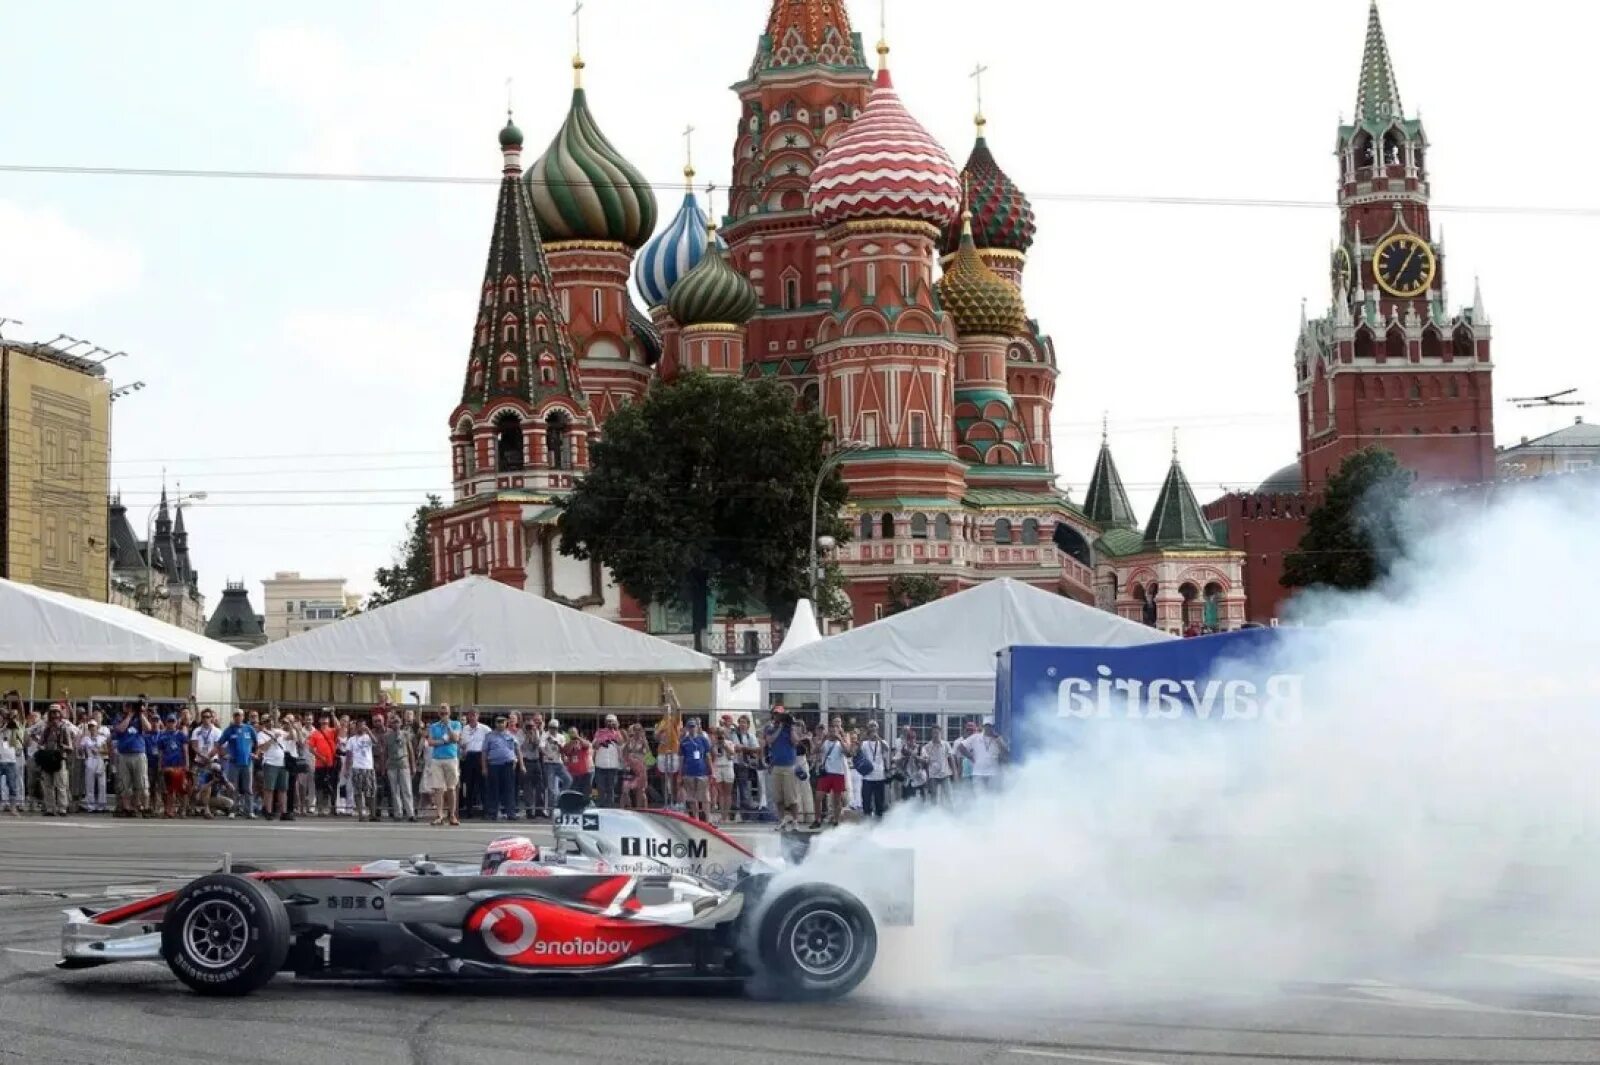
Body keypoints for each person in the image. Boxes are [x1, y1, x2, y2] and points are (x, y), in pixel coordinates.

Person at [113, 700, 154, 818]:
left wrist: (140, 713)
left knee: (142, 783)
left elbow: (148, 728)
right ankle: (127, 808)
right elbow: (120, 729)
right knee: (125, 784)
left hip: (138, 754)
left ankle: (145, 808)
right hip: (124, 755)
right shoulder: (119, 718)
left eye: (132, 706)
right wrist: (129, 715)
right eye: (128, 705)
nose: (130, 708)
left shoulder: (140, 718)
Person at [764, 706, 802, 829]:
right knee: (778, 797)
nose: (778, 716)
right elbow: (770, 740)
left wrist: (789, 726)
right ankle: (782, 820)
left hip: (789, 766)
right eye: (775, 714)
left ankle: (795, 821)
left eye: (780, 714)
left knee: (791, 797)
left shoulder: (790, 728)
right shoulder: (770, 728)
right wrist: (779, 727)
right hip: (776, 766)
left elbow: (796, 742)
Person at [218, 709, 258, 819]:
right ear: (233, 717)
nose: (237, 717)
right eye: (235, 715)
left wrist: (255, 754)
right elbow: (219, 743)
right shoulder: (229, 730)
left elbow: (257, 743)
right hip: (233, 763)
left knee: (248, 788)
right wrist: (224, 755)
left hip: (247, 763)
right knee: (233, 788)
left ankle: (249, 811)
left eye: (239, 715)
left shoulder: (249, 729)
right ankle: (233, 810)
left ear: (243, 716)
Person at [35, 705, 73, 817]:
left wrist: (62, 746)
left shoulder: (64, 728)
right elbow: (40, 743)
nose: (55, 715)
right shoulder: (47, 729)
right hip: (48, 758)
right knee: (47, 784)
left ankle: (62, 808)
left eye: (57, 713)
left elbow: (70, 747)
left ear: (60, 714)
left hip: (59, 758)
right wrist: (42, 748)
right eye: (52, 713)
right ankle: (50, 808)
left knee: (61, 785)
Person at [426, 705, 461, 827]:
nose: (444, 715)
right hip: (437, 759)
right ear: (438, 714)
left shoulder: (456, 724)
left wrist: (448, 726)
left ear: (449, 713)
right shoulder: (434, 726)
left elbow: (455, 738)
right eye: (442, 713)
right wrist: (444, 741)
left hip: (451, 758)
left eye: (446, 713)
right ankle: (439, 816)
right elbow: (430, 742)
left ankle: (452, 815)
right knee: (438, 789)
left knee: (451, 788)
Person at [482, 716, 520, 821]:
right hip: (494, 765)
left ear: (506, 723)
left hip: (508, 765)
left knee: (509, 790)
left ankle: (510, 813)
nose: (500, 724)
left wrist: (520, 763)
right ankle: (492, 813)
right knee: (493, 790)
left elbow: (517, 749)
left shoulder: (511, 735)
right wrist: (484, 767)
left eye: (502, 722)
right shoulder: (489, 736)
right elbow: (484, 752)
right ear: (495, 723)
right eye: (498, 722)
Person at [153, 712, 191, 818]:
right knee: (169, 790)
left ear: (176, 723)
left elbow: (185, 750)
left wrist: (187, 764)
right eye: (169, 721)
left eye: (173, 721)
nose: (171, 723)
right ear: (166, 723)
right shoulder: (162, 736)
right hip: (167, 766)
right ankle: (169, 810)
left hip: (179, 766)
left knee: (181, 789)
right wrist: (160, 765)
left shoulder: (180, 735)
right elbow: (160, 753)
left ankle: (183, 810)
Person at [954, 719, 1008, 791]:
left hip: (993, 773)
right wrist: (970, 756)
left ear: (993, 727)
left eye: (990, 726)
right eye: (986, 726)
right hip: (978, 773)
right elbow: (961, 747)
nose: (988, 728)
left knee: (992, 797)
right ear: (983, 727)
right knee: (979, 797)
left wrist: (997, 738)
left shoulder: (997, 739)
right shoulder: (975, 737)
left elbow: (1005, 752)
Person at [383, 709, 417, 822]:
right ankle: (398, 813)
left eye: (397, 721)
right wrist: (383, 766)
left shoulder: (406, 734)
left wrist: (413, 765)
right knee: (395, 790)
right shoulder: (387, 736)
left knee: (407, 789)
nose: (396, 724)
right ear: (390, 724)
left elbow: (410, 750)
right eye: (393, 722)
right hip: (392, 764)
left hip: (404, 764)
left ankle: (410, 813)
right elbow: (384, 752)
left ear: (401, 723)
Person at [815, 719, 850, 826]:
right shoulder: (825, 742)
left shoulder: (841, 743)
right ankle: (817, 820)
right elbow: (815, 750)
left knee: (837, 799)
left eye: (835, 730)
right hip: (826, 773)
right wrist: (823, 739)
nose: (833, 732)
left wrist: (840, 738)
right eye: (831, 730)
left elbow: (848, 752)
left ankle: (836, 820)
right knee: (818, 797)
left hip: (838, 773)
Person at [678, 717, 713, 822]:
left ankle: (708, 818)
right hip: (689, 771)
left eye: (694, 726)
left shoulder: (703, 740)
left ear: (697, 727)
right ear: (687, 728)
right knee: (692, 796)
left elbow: (707, 756)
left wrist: (711, 770)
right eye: (690, 727)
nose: (692, 729)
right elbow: (681, 759)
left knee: (705, 796)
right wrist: (680, 773)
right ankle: (696, 818)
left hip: (702, 771)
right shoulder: (684, 742)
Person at [654, 684, 682, 809]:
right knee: (664, 779)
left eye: (668, 709)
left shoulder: (674, 721)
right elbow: (656, 738)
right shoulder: (660, 723)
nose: (666, 710)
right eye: (664, 709)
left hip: (673, 751)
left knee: (674, 778)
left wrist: (672, 695)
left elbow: (679, 708)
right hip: (662, 752)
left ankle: (675, 802)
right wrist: (658, 735)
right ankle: (666, 801)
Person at [459, 709, 490, 819]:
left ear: (478, 716)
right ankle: (469, 811)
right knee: (469, 785)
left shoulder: (485, 729)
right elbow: (462, 744)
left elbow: (490, 742)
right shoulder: (465, 729)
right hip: (469, 757)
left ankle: (486, 811)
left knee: (483, 786)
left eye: (474, 715)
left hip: (480, 756)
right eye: (470, 715)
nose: (472, 717)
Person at [857, 720, 891, 819]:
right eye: (870, 726)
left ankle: (878, 820)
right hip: (867, 776)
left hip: (879, 776)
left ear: (877, 728)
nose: (872, 728)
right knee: (866, 801)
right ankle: (867, 821)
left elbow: (887, 749)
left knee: (879, 801)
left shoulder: (882, 742)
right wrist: (862, 738)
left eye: (874, 726)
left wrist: (878, 738)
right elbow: (856, 751)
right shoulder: (864, 743)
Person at [344, 719, 377, 821]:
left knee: (371, 792)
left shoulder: (368, 737)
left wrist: (368, 731)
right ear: (356, 727)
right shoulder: (352, 740)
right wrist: (347, 769)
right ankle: (360, 815)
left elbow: (376, 742)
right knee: (358, 792)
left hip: (368, 768)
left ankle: (373, 814)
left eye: (363, 725)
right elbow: (349, 755)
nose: (361, 728)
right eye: (360, 726)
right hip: (357, 768)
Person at [306, 714, 339, 816]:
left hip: (331, 764)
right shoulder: (315, 733)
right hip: (320, 765)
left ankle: (330, 808)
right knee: (319, 787)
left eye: (326, 720)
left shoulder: (332, 731)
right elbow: (310, 748)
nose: (324, 721)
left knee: (331, 787)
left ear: (329, 721)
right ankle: (320, 809)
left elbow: (339, 727)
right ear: (319, 721)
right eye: (323, 719)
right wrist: (320, 757)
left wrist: (333, 714)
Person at [591, 714, 624, 808]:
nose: (610, 723)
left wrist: (615, 732)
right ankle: (600, 806)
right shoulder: (599, 732)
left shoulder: (618, 733)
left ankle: (609, 807)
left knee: (611, 788)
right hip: (600, 765)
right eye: (608, 721)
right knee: (600, 787)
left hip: (613, 765)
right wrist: (602, 740)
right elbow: (594, 745)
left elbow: (621, 743)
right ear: (605, 722)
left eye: (612, 721)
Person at [77, 718, 108, 813]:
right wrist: (82, 748)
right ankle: (90, 805)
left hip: (99, 760)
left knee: (101, 784)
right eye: (90, 726)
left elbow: (106, 751)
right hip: (90, 760)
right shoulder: (85, 738)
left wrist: (98, 751)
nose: (92, 728)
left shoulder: (102, 738)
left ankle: (101, 805)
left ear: (96, 727)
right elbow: (80, 751)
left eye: (93, 726)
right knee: (89, 784)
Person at [921, 726, 957, 805]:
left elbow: (951, 759)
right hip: (933, 775)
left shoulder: (946, 744)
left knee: (949, 797)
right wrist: (926, 777)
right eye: (934, 733)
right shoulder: (926, 747)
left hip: (945, 774)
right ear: (931, 734)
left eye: (937, 733)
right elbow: (925, 763)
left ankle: (951, 814)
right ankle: (934, 815)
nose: (935, 735)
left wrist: (955, 773)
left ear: (941, 733)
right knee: (934, 798)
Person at [539, 719, 570, 810]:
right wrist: (547, 755)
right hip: (549, 764)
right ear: (548, 728)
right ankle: (552, 808)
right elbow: (541, 747)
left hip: (559, 763)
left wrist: (557, 744)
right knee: (551, 788)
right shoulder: (545, 735)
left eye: (555, 728)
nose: (553, 730)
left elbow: (563, 750)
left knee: (568, 780)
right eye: (551, 728)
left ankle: (560, 797)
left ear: (557, 728)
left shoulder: (561, 737)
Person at [0, 700, 24, 816]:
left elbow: (17, 716)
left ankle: (13, 808)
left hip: (10, 760)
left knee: (12, 786)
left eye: (3, 717)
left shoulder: (12, 727)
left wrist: (9, 717)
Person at [621, 723, 650, 809]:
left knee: (641, 792)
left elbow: (649, 757)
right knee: (625, 791)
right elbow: (624, 754)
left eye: (639, 730)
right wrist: (628, 742)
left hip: (641, 770)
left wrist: (645, 744)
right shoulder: (629, 741)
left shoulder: (644, 742)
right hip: (630, 769)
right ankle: (628, 809)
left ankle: (641, 811)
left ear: (641, 731)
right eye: (635, 730)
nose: (637, 732)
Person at [562, 726, 593, 800]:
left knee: (585, 792)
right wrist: (572, 743)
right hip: (573, 773)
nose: (572, 734)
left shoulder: (582, 742)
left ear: (577, 733)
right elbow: (566, 752)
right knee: (575, 792)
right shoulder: (568, 744)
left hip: (585, 772)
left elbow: (587, 745)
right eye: (570, 733)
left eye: (573, 732)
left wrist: (578, 738)